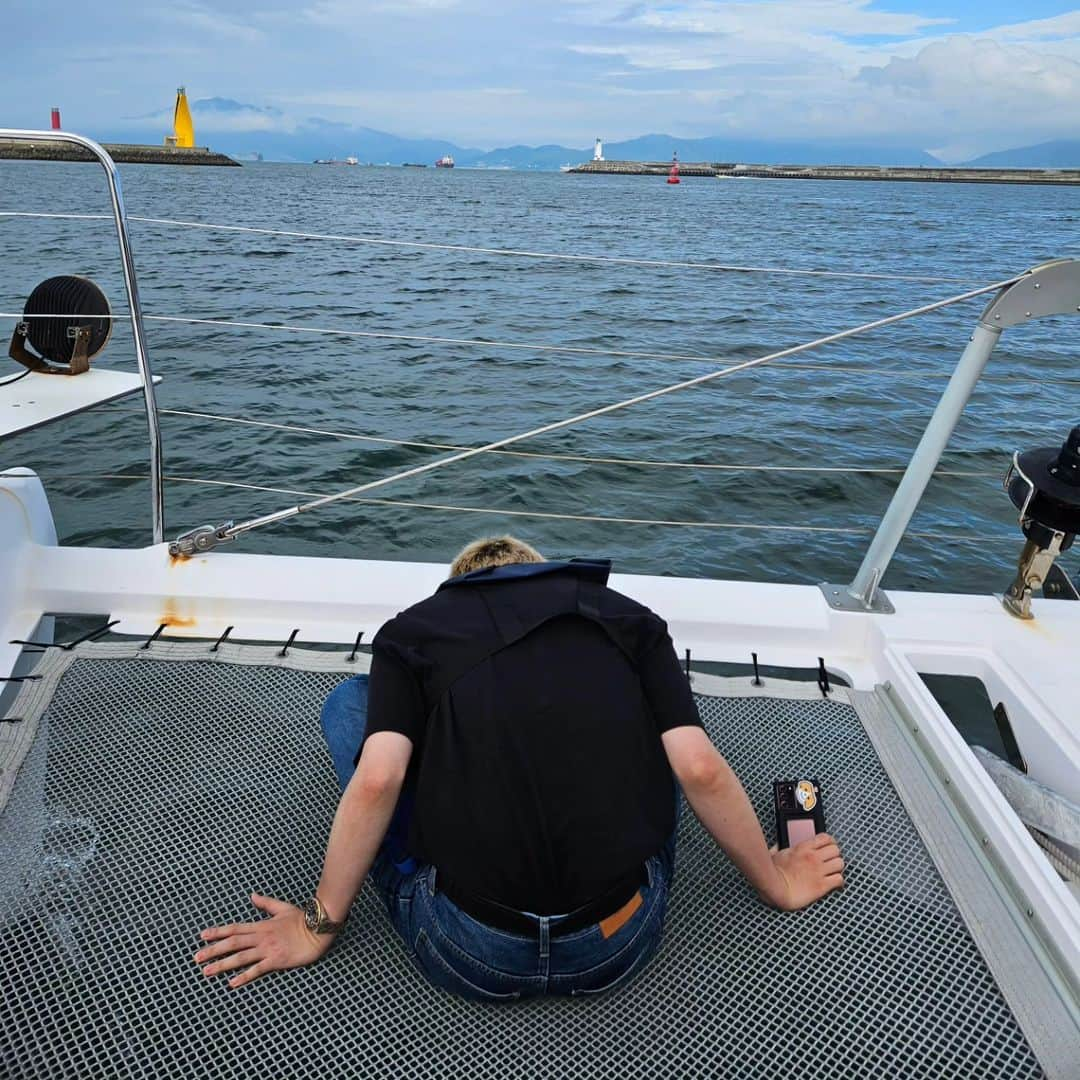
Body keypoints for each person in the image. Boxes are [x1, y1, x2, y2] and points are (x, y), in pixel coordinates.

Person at [195, 536, 844, 997]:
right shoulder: (632, 622)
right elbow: (699, 768)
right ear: (541, 576)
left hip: (469, 953)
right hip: (619, 942)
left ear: (459, 588)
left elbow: (378, 779)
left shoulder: (412, 633)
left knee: (351, 706)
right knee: (665, 722)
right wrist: (777, 884)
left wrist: (316, 926)